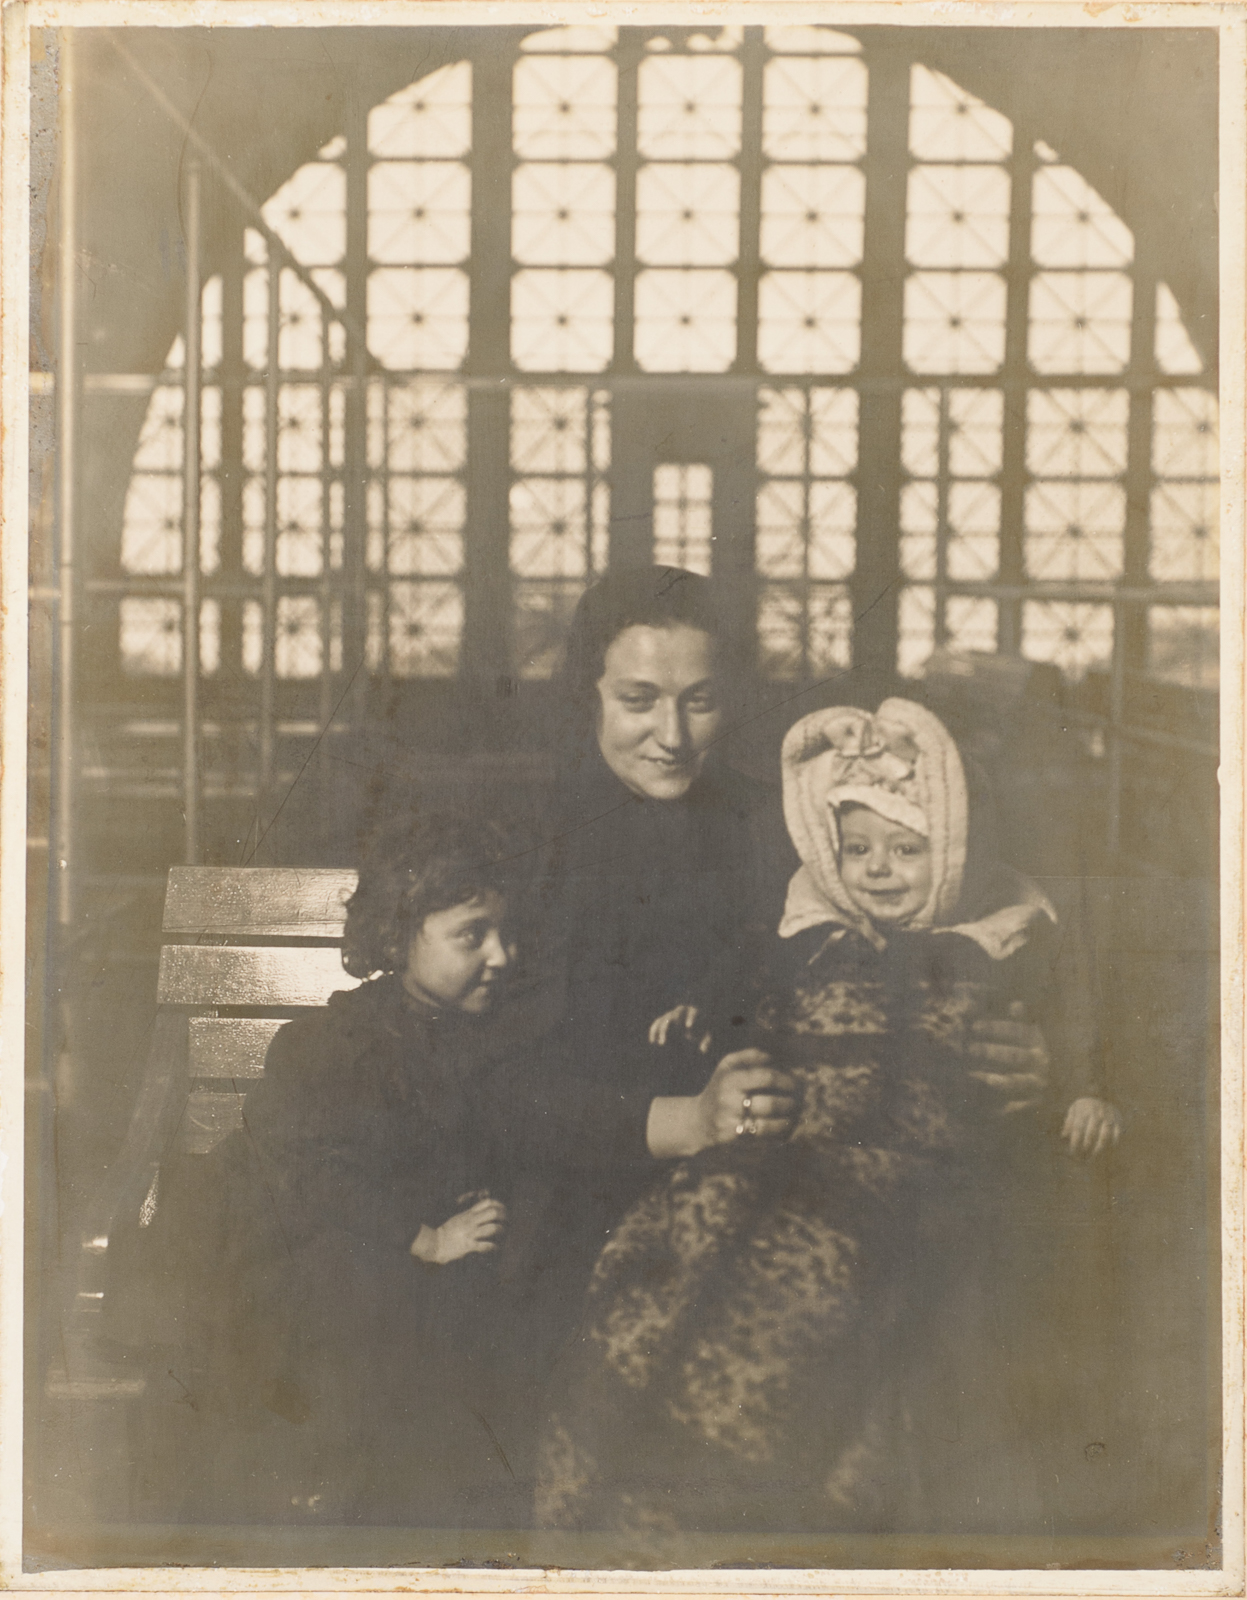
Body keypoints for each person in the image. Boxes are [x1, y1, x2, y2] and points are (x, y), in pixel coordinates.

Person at [494, 570, 1054, 1474]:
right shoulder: (527, 845)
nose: (672, 737)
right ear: (583, 696)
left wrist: (1023, 1058)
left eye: (700, 702)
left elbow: (919, 951)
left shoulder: (788, 827)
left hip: (800, 1175)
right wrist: (679, 1122)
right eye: (637, 700)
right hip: (587, 1190)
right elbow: (488, 1081)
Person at [533, 698, 1120, 1536]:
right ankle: (631, 1462)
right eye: (858, 851)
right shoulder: (813, 936)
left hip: (911, 1166)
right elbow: (758, 1014)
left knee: (819, 1263)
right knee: (686, 1220)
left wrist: (1079, 1085)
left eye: (906, 850)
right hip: (795, 1147)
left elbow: (1061, 1034)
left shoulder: (995, 945)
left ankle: (742, 1470)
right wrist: (706, 1021)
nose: (878, 870)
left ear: (951, 850)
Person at [123, 811, 539, 1526]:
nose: (502, 955)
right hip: (292, 1247)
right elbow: (321, 1179)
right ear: (401, 936)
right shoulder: (340, 1045)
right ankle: (336, 1496)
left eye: (505, 933)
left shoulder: (463, 1035)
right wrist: (430, 1239)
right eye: (472, 936)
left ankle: (425, 1497)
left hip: (377, 1240)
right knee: (355, 1297)